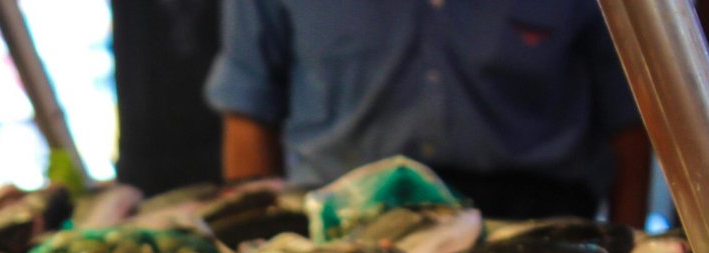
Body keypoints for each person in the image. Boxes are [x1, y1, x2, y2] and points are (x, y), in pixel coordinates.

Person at [206, 1, 650, 226]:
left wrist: (635, 252)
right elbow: (248, 112)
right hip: (346, 227)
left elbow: (631, 116)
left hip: (537, 223)